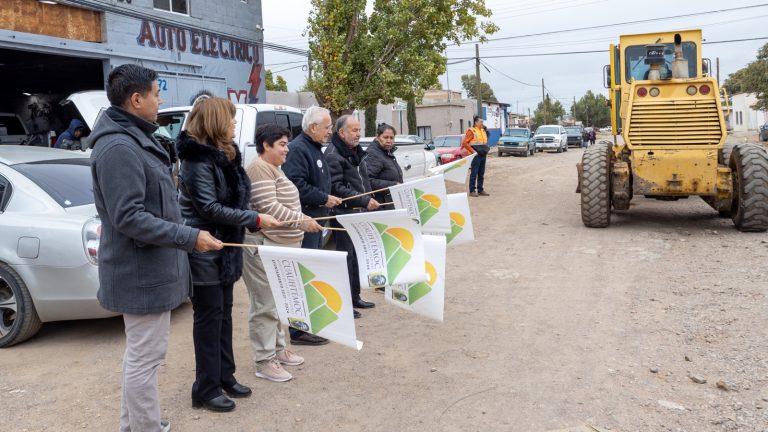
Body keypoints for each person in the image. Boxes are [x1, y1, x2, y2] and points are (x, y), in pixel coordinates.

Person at [90, 64, 223, 432]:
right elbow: (129, 218)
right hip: (140, 273)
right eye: (156, 93)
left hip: (150, 269)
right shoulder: (119, 146)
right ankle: (145, 428)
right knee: (144, 358)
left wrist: (185, 232)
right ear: (137, 99)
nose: (159, 99)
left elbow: (156, 206)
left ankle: (133, 426)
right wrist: (189, 237)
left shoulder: (133, 138)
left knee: (143, 357)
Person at [176, 97, 280, 413]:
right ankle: (205, 388)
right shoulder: (196, 160)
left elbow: (233, 201)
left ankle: (225, 376)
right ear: (216, 122)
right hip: (205, 249)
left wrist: (251, 214)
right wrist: (255, 218)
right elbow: (209, 208)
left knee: (223, 316)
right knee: (208, 320)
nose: (235, 125)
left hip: (225, 248)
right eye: (231, 119)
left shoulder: (224, 155)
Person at [242, 124, 323, 382]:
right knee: (265, 303)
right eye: (282, 145)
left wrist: (301, 220)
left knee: (277, 301)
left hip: (279, 244)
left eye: (287, 144)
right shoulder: (258, 168)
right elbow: (270, 208)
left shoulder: (274, 167)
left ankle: (278, 350)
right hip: (263, 245)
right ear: (266, 145)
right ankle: (264, 360)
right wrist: (302, 220)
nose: (287, 150)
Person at [282, 105, 341, 345]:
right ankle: (297, 330)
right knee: (302, 274)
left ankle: (308, 321)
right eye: (327, 127)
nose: (330, 132)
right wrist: (323, 198)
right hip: (305, 221)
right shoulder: (298, 149)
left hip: (317, 220)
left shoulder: (315, 147)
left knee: (311, 271)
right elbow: (295, 183)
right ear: (313, 127)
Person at [325, 115, 379, 317]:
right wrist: (363, 200)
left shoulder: (355, 151)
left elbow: (363, 180)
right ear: (341, 133)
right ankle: (345, 302)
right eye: (354, 130)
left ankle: (355, 296)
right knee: (346, 258)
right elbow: (336, 187)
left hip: (358, 213)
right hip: (343, 213)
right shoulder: (333, 154)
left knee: (356, 257)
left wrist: (368, 199)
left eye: (359, 130)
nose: (358, 134)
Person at [364, 123, 402, 210]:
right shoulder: (373, 154)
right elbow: (367, 181)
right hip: (380, 205)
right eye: (385, 137)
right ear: (377, 137)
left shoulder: (386, 152)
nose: (389, 141)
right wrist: (393, 185)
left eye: (391, 138)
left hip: (389, 202)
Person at [461, 115, 490, 197]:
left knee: (481, 173)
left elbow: (484, 142)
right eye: (481, 122)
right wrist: (473, 151)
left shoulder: (483, 130)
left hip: (483, 154)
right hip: (475, 156)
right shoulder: (471, 131)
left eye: (482, 122)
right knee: (474, 173)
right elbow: (465, 143)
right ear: (476, 122)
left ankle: (480, 189)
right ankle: (472, 190)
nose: (482, 123)